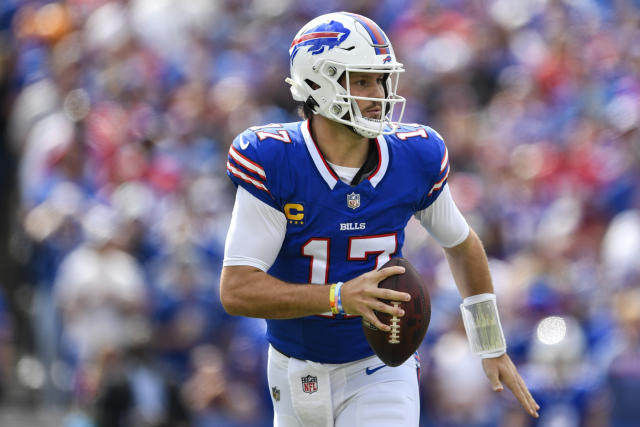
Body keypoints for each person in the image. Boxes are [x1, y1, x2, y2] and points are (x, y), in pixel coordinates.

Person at [220, 11, 539, 426]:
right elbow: (237, 289)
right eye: (362, 80)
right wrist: (338, 297)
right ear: (317, 81)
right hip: (292, 369)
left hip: (380, 366)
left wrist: (490, 343)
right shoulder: (275, 158)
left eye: (381, 79)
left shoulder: (413, 156)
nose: (378, 93)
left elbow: (461, 245)